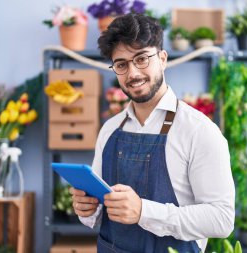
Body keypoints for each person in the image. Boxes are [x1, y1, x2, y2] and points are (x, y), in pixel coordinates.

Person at [69, 13, 235, 253]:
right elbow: (97, 213)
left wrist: (144, 212)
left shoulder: (199, 131)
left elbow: (221, 219)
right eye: (121, 64)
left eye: (142, 59)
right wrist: (88, 208)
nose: (133, 73)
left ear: (163, 58)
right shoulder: (110, 129)